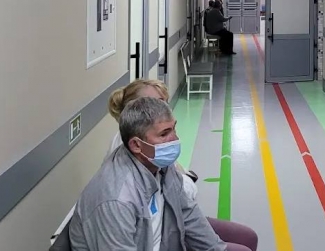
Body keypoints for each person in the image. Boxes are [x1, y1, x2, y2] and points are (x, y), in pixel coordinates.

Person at [69, 97, 258, 251]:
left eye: (174, 128)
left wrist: (217, 249)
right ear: (136, 145)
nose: (175, 138)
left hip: (166, 239)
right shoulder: (116, 200)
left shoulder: (159, 164)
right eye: (164, 134)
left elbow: (186, 212)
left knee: (246, 242)